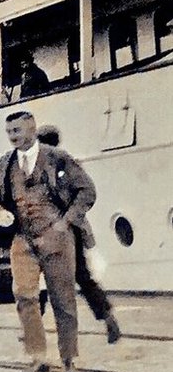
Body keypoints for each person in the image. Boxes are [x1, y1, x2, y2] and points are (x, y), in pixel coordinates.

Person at [0, 111, 96, 372]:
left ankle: (68, 359)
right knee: (24, 296)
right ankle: (37, 357)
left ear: (32, 129)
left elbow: (87, 190)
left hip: (56, 239)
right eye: (9, 131)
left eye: (17, 130)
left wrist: (66, 221)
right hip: (22, 238)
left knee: (63, 298)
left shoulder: (58, 157)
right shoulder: (6, 162)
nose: (12, 136)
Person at [37, 125, 121, 343]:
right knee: (79, 277)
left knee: (43, 277)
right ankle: (107, 316)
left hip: (62, 231)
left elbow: (86, 193)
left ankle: (33, 324)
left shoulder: (59, 165)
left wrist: (66, 219)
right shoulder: (59, 165)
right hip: (59, 230)